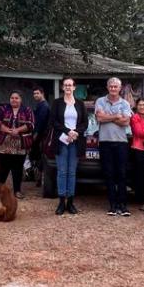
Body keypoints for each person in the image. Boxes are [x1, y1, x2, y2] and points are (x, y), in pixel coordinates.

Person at [95, 77, 133, 216]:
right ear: (107, 87)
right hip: (105, 141)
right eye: (111, 86)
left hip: (121, 142)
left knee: (121, 174)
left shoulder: (125, 103)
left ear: (120, 88)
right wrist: (116, 116)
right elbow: (99, 118)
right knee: (109, 174)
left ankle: (123, 206)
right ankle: (112, 205)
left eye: (115, 86)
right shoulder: (100, 101)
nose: (113, 88)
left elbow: (126, 122)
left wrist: (108, 117)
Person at [50, 78, 88, 215]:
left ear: (74, 87)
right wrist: (67, 131)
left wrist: (76, 132)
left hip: (75, 141)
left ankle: (70, 202)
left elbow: (85, 123)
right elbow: (53, 121)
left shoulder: (80, 104)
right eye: (65, 85)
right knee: (62, 171)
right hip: (61, 140)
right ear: (62, 87)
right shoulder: (57, 103)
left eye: (70, 85)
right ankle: (61, 202)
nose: (68, 87)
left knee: (72, 172)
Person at [0, 91, 35, 199]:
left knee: (17, 168)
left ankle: (17, 191)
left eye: (16, 98)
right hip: (5, 142)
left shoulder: (27, 110)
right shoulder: (3, 109)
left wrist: (17, 130)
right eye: (12, 98)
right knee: (3, 167)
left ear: (21, 99)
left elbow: (31, 124)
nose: (14, 100)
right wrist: (7, 130)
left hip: (20, 143)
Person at [30, 87, 51, 185]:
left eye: (37, 93)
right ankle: (37, 177)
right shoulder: (40, 105)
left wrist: (36, 133)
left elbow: (41, 121)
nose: (35, 95)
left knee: (40, 156)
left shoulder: (44, 106)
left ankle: (39, 178)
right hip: (40, 135)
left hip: (42, 136)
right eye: (34, 93)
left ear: (42, 93)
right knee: (38, 156)